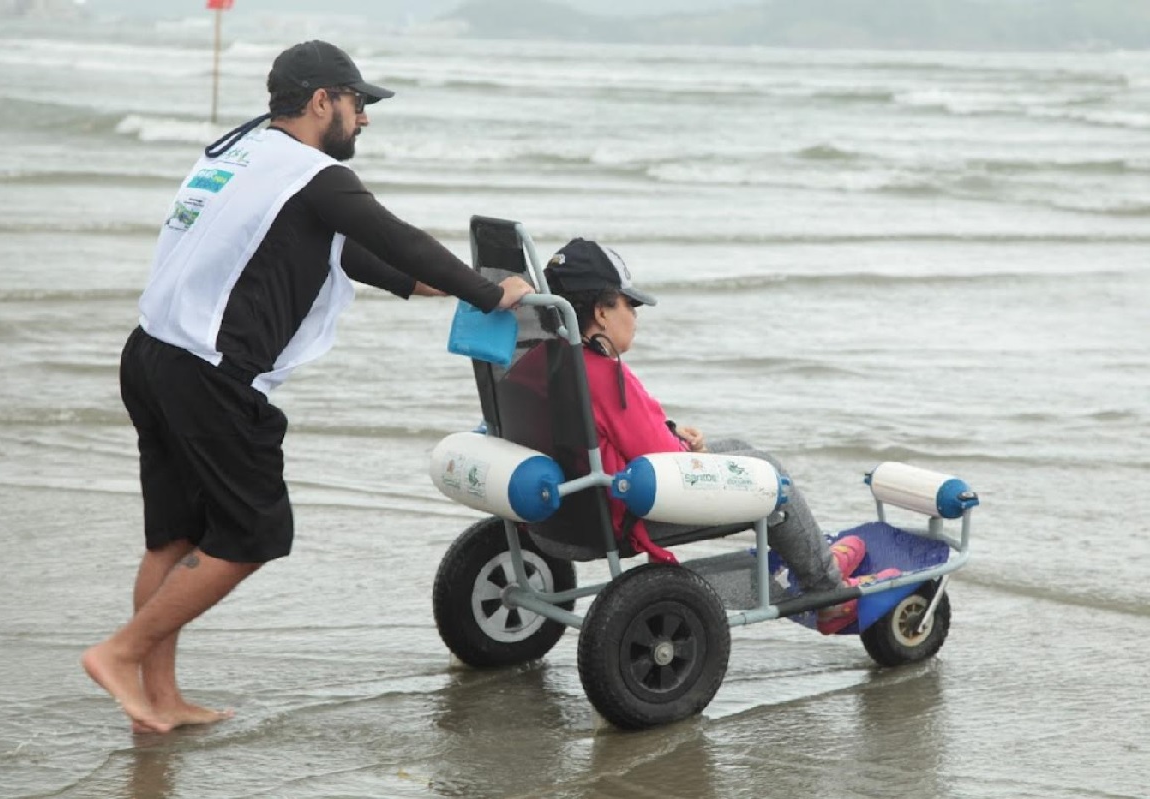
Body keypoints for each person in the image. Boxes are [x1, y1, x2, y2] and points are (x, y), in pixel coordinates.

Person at [82, 40, 532, 734]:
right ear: (322, 100)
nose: (365, 119)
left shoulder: (238, 151)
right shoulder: (316, 173)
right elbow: (395, 233)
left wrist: (433, 286)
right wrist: (487, 291)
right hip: (207, 373)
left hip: (151, 354)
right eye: (358, 103)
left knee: (172, 537)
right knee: (254, 532)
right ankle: (121, 653)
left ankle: (158, 698)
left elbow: (342, 248)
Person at [542, 238, 891, 633]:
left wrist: (673, 435)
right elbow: (663, 460)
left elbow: (617, 432)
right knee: (770, 476)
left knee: (741, 449)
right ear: (602, 312)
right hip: (617, 514)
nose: (636, 317)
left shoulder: (545, 360)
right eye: (630, 305)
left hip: (563, 512)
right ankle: (829, 591)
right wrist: (684, 448)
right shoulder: (606, 376)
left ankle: (815, 559)